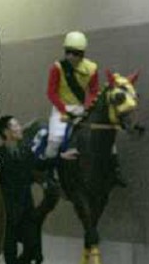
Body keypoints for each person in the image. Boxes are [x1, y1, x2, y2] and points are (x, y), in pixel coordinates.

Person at [45, 31, 126, 186]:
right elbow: (51, 92)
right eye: (67, 52)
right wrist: (64, 109)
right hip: (61, 108)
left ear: (81, 54)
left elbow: (94, 90)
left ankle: (115, 169)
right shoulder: (57, 68)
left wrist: (88, 107)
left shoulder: (91, 68)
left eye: (75, 53)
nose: (70, 57)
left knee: (105, 135)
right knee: (54, 139)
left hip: (82, 107)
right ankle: (51, 173)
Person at [0, 115, 44, 264]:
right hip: (7, 211)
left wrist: (61, 157)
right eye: (15, 126)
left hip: (27, 208)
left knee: (32, 245)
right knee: (10, 249)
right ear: (6, 132)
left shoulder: (26, 152)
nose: (19, 128)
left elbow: (39, 166)